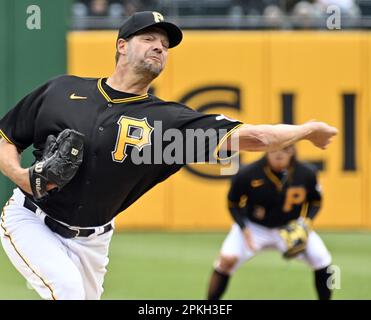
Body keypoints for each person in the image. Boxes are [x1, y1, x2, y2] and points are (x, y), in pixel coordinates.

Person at [0, 11, 337, 300]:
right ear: (121, 45)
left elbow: (254, 137)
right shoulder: (62, 90)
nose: (160, 46)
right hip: (32, 219)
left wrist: (307, 129)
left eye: (165, 44)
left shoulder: (169, 125)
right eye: (149, 38)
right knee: (67, 291)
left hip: (94, 241)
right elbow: (7, 137)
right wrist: (19, 176)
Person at [207, 145, 333, 300]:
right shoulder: (248, 172)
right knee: (226, 260)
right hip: (254, 227)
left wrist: (306, 223)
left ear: (292, 150)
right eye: (274, 149)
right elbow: (232, 203)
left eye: (285, 148)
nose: (279, 153)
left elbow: (316, 201)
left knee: (322, 258)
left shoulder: (306, 172)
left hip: (290, 227)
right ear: (266, 150)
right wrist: (243, 228)